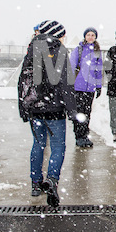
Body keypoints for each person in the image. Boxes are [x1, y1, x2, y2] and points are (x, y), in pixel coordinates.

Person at [18, 20, 77, 208]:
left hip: (35, 108)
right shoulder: (59, 50)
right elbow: (66, 84)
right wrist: (72, 111)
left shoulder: (32, 49)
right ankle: (52, 180)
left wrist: (23, 107)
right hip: (55, 109)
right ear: (56, 34)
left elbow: (23, 81)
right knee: (58, 146)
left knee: (38, 144)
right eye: (62, 34)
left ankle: (35, 184)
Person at [70, 27, 103, 147]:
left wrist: (98, 86)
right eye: (88, 35)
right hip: (78, 86)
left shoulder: (97, 52)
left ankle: (85, 135)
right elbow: (71, 67)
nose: (90, 37)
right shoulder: (78, 50)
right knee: (79, 112)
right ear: (85, 36)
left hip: (90, 88)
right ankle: (78, 136)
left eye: (93, 35)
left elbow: (99, 71)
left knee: (87, 112)